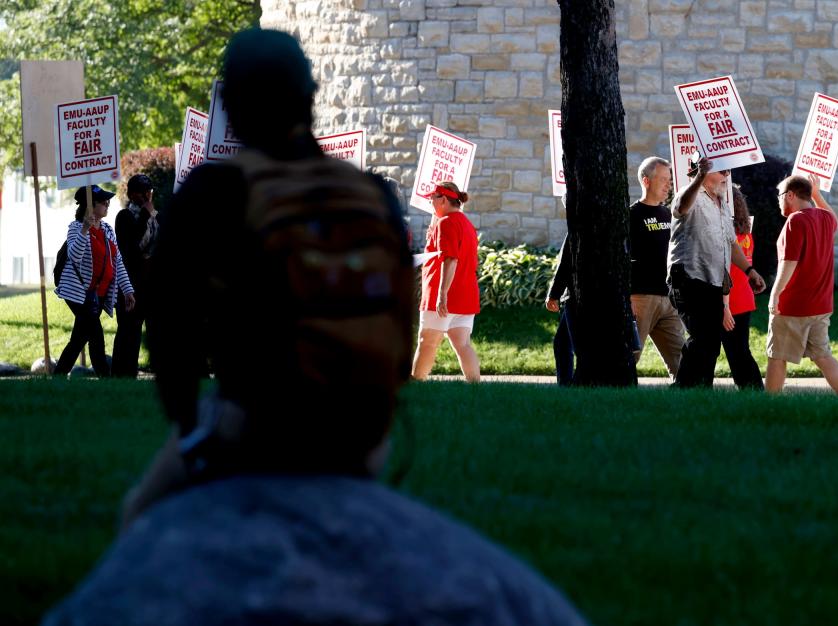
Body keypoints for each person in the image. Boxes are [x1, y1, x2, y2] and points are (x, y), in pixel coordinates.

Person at [42, 29, 585, 626]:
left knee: (138, 518)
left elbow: (167, 327)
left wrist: (193, 429)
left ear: (238, 106)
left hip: (255, 423)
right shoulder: (371, 193)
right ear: (309, 98)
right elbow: (395, 323)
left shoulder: (216, 190)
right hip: (363, 432)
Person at [667, 157, 765, 388]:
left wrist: (749, 270)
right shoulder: (689, 195)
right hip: (688, 278)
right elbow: (680, 208)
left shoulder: (721, 203)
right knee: (702, 338)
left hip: (714, 281)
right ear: (702, 170)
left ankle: (700, 392)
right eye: (721, 170)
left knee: (710, 343)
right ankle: (685, 390)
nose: (727, 175)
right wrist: (700, 176)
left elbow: (731, 243)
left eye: (729, 170)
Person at [765, 173, 838, 395]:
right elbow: (835, 220)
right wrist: (817, 195)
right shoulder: (825, 218)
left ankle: (769, 406)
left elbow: (788, 263)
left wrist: (775, 294)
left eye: (780, 196)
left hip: (793, 306)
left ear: (790, 195)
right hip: (820, 305)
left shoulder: (796, 220)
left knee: (777, 356)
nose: (779, 201)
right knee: (823, 355)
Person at [52, 186, 135, 377]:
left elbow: (118, 261)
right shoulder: (76, 228)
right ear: (90, 206)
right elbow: (75, 256)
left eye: (108, 200)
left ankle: (58, 376)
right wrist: (84, 230)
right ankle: (106, 380)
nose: (107, 203)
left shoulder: (107, 229)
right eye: (102, 201)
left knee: (79, 338)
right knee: (96, 336)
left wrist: (128, 290)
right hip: (78, 293)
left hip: (97, 294)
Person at [411, 181, 482, 383]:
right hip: (465, 295)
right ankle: (477, 388)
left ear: (442, 199)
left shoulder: (447, 222)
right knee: (462, 344)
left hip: (445, 295)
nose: (430, 202)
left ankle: (416, 386)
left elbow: (451, 259)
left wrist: (442, 295)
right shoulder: (465, 223)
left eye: (432, 198)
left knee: (427, 343)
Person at [629, 156, 685, 379]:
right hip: (640, 298)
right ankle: (616, 401)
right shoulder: (631, 215)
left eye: (669, 180)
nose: (668, 185)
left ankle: (686, 406)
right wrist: (627, 297)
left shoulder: (669, 215)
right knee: (629, 357)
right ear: (646, 181)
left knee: (682, 364)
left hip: (669, 300)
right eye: (663, 179)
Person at [111, 173, 159, 377]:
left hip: (151, 285)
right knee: (128, 333)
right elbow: (131, 249)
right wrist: (146, 215)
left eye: (149, 193)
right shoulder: (125, 217)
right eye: (142, 193)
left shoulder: (156, 216)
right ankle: (123, 374)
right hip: (130, 284)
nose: (147, 198)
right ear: (131, 194)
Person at [720, 186, 764, 390]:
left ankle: (752, 389)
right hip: (744, 296)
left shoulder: (726, 233)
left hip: (731, 297)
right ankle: (751, 389)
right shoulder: (745, 233)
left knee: (736, 352)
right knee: (740, 350)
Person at [545, 234, 574, 385]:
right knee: (563, 342)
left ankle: (566, 385)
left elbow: (566, 264)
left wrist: (554, 294)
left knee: (564, 343)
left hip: (576, 297)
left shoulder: (577, 226)